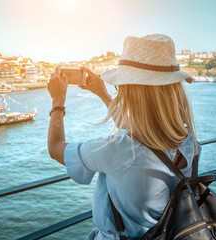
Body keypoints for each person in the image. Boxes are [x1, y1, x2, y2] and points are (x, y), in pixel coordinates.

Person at [47, 34, 200, 239]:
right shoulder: (190, 142)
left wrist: (58, 102)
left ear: (130, 93)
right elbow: (143, 137)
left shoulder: (117, 150)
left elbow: (55, 148)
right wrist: (103, 95)